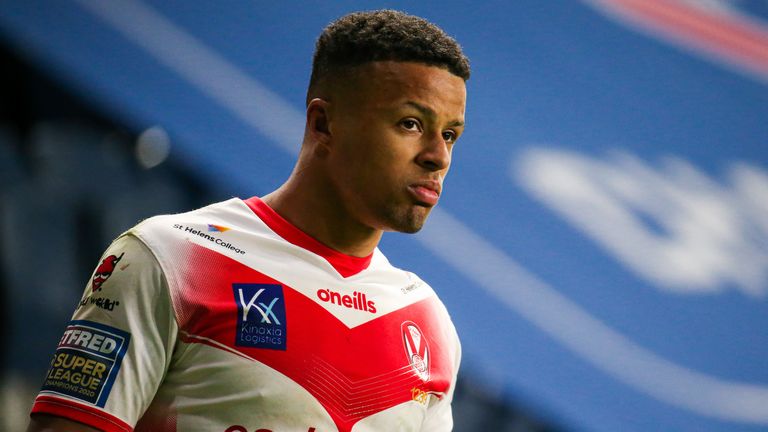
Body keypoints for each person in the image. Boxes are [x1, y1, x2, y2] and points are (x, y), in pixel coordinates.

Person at [27, 9, 469, 432]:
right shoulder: (173, 256)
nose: (438, 156)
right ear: (323, 123)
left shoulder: (428, 322)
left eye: (450, 134)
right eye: (411, 123)